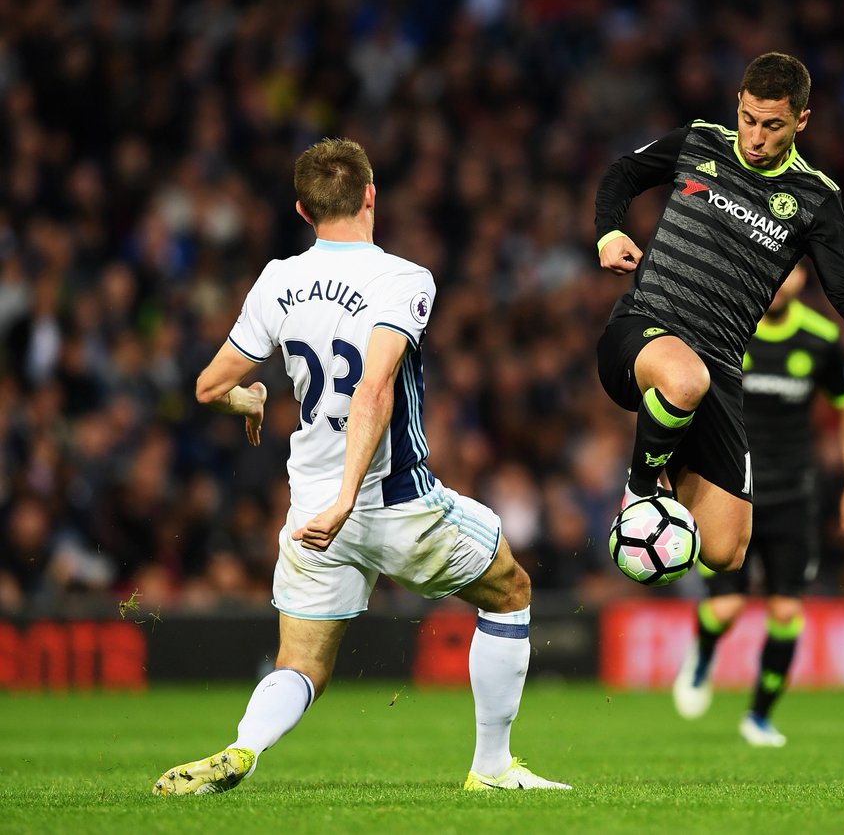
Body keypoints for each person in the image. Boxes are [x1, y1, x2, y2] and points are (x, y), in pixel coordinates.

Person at [152, 138, 569, 795]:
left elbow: (208, 386)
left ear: (302, 209)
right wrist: (352, 495)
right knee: (510, 588)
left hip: (311, 510)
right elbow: (373, 389)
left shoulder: (278, 279)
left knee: (302, 665)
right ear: (371, 195)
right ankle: (491, 767)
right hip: (391, 498)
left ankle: (243, 747)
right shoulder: (403, 278)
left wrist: (249, 397)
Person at [594, 52, 844, 575]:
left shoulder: (816, 200)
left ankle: (667, 480)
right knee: (686, 378)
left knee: (725, 551)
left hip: (720, 367)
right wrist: (610, 230)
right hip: (642, 332)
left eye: (772, 126)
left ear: (801, 120)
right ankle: (638, 493)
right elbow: (622, 173)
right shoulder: (700, 141)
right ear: (738, 105)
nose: (755, 138)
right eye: (748, 120)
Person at [672, 264, 844, 746]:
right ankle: (701, 653)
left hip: (793, 495)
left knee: (786, 612)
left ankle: (758, 716)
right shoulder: (726, 327)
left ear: (804, 277)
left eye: (794, 271)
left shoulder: (821, 338)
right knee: (728, 608)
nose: (783, 280)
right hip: (729, 491)